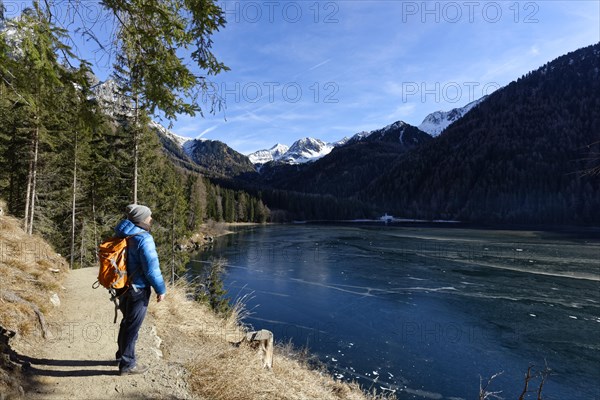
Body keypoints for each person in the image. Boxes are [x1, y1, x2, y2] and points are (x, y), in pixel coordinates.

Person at [114, 204, 166, 375]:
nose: (151, 219)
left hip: (122, 286)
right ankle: (128, 364)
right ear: (142, 219)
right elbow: (151, 270)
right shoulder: (144, 238)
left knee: (127, 321)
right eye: (149, 216)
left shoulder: (122, 233)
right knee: (132, 326)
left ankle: (121, 354)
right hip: (138, 289)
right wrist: (161, 289)